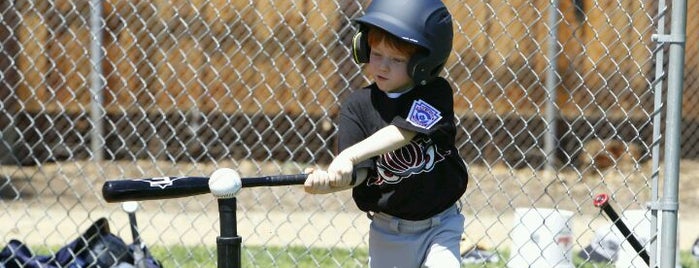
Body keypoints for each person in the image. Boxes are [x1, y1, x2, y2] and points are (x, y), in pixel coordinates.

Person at [303, 0, 468, 267]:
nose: (382, 66)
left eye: (397, 59)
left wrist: (348, 155)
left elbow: (402, 133)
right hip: (387, 230)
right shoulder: (357, 107)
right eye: (377, 53)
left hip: (441, 224)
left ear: (424, 62)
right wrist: (329, 183)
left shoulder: (435, 93)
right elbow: (360, 174)